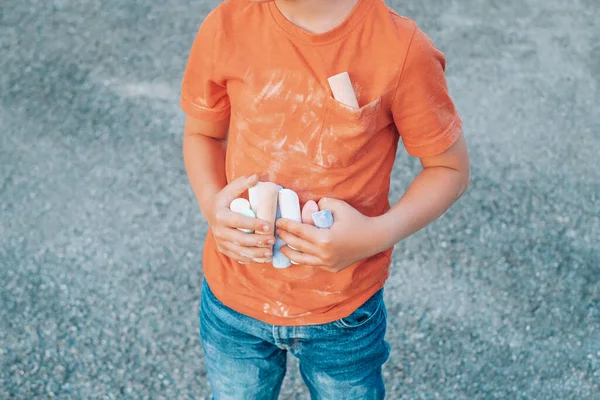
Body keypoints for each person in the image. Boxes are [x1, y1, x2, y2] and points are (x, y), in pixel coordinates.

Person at [181, 0, 470, 398]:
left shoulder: (400, 49)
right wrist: (212, 206)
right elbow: (203, 134)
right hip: (234, 300)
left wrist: (374, 235)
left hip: (344, 313)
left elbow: (448, 169)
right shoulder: (227, 26)